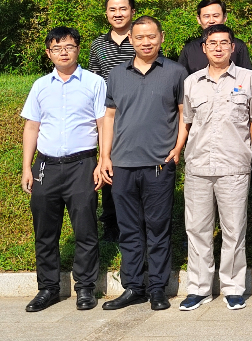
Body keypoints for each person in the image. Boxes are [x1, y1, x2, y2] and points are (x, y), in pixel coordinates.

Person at [97, 16, 188, 312]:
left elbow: (184, 114)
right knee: (129, 228)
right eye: (139, 37)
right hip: (122, 164)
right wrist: (105, 156)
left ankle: (158, 287)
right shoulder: (116, 74)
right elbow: (109, 117)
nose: (146, 42)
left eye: (151, 36)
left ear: (161, 37)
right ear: (131, 40)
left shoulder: (176, 72)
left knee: (158, 227)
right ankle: (134, 286)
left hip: (159, 164)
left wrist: (177, 148)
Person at [20, 27, 107, 313]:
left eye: (69, 46)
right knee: (45, 231)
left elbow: (103, 124)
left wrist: (103, 160)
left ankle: (85, 288)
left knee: (85, 229)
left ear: (78, 49)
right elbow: (32, 126)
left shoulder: (94, 83)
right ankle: (47, 288)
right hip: (46, 166)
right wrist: (27, 167)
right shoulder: (40, 86)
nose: (63, 52)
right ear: (49, 53)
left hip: (82, 164)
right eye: (57, 48)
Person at [179, 24, 252, 312]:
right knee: (197, 230)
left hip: (234, 167)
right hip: (198, 166)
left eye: (224, 43)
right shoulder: (191, 82)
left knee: (234, 230)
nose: (218, 48)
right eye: (212, 43)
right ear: (204, 48)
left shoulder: (249, 79)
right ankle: (199, 288)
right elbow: (187, 122)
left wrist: (244, 149)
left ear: (232, 47)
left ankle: (233, 288)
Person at [87, 0, 137, 241]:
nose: (118, 14)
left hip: (137, 114)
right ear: (106, 13)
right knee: (108, 164)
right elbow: (93, 81)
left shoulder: (141, 39)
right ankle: (111, 223)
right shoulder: (98, 45)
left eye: (123, 9)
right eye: (112, 10)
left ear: (132, 12)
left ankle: (137, 222)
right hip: (108, 116)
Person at [178, 0, 252, 74]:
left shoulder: (238, 46)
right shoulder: (190, 49)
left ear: (224, 17)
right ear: (199, 19)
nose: (211, 21)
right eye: (206, 16)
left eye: (215, 16)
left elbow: (247, 76)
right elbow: (181, 78)